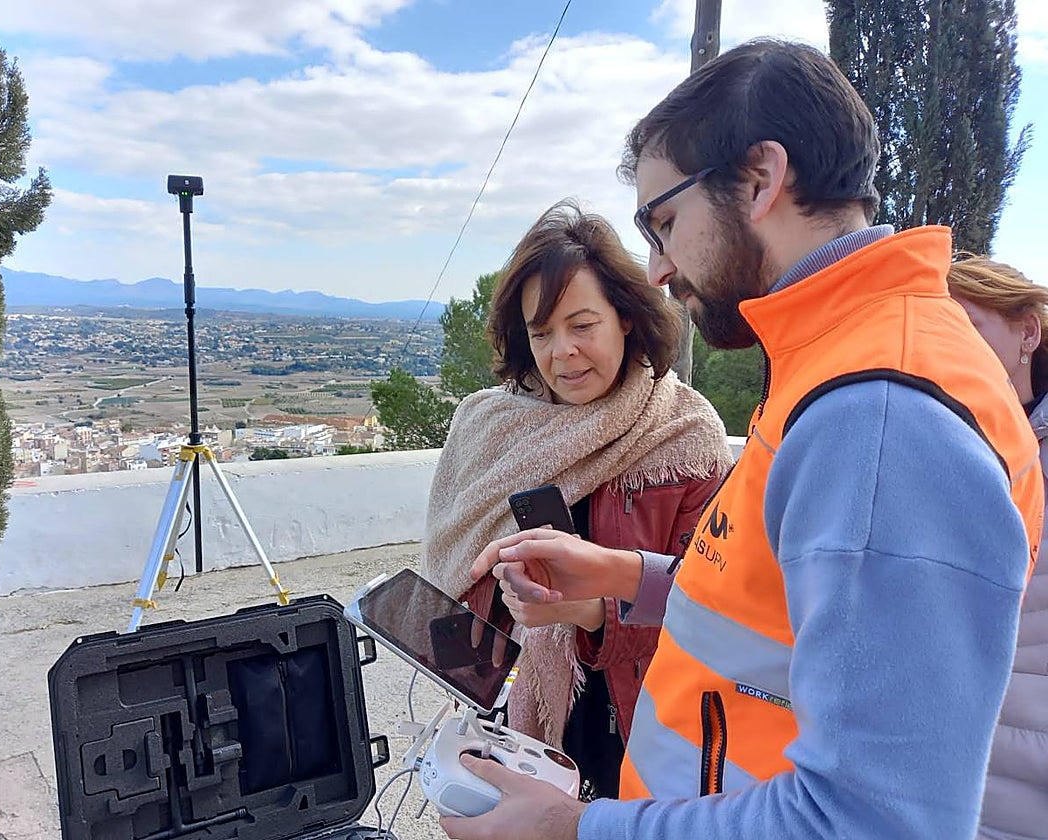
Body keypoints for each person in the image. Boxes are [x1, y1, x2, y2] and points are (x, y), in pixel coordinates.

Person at [440, 38, 1043, 840]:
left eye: (665, 222)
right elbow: (777, 600)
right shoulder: (836, 357)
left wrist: (570, 829)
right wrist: (625, 574)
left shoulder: (879, 415)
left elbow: (869, 821)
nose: (656, 266)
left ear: (759, 179)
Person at [420, 199, 732, 799]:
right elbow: (460, 578)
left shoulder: (686, 434)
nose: (561, 350)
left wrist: (587, 611)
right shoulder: (492, 430)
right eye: (541, 333)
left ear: (627, 318)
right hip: (529, 729)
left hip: (649, 726)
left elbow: (711, 606)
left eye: (582, 325)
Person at [946, 255, 1048, 840]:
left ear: (1027, 332)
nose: (949, 348)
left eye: (967, 327)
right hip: (950, 769)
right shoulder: (934, 440)